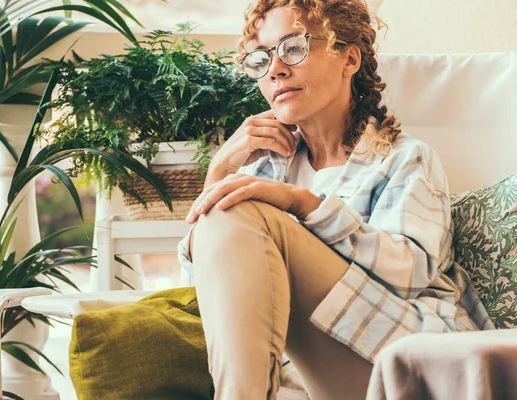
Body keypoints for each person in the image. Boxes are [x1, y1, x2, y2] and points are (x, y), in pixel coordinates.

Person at [177, 0, 494, 399]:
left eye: (293, 47)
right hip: (305, 376)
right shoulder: (261, 173)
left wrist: (303, 204)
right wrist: (219, 170)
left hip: (399, 361)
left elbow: (412, 272)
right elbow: (209, 299)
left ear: (349, 58)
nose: (275, 69)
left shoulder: (404, 159)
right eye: (260, 59)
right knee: (228, 210)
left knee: (241, 210)